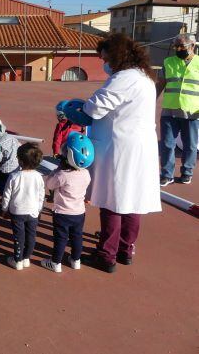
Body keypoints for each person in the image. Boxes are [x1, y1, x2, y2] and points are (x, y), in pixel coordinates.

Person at [77, 34, 161, 273]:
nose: (105, 63)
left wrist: (80, 106)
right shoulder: (144, 76)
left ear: (117, 56)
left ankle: (106, 255)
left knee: (112, 200)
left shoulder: (123, 78)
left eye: (106, 58)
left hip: (120, 146)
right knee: (132, 200)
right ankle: (126, 249)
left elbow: (96, 107)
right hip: (138, 145)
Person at [41, 133, 93, 273]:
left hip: (62, 213)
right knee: (77, 236)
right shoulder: (86, 174)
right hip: (79, 213)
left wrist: (56, 171)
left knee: (61, 238)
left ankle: (55, 263)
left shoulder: (62, 175)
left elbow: (50, 185)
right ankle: (76, 260)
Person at [156, 34, 199, 186]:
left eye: (182, 47)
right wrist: (150, 101)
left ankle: (187, 173)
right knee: (167, 144)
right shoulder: (168, 62)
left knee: (191, 145)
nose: (178, 50)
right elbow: (160, 84)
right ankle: (167, 175)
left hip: (193, 112)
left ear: (192, 46)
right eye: (176, 47)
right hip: (169, 110)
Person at [1, 143, 45, 271]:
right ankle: (26, 258)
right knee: (31, 236)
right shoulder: (39, 177)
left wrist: (4, 209)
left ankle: (17, 260)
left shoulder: (14, 176)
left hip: (17, 212)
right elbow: (41, 195)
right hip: (33, 212)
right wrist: (39, 209)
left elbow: (6, 195)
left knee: (19, 237)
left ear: (20, 161)